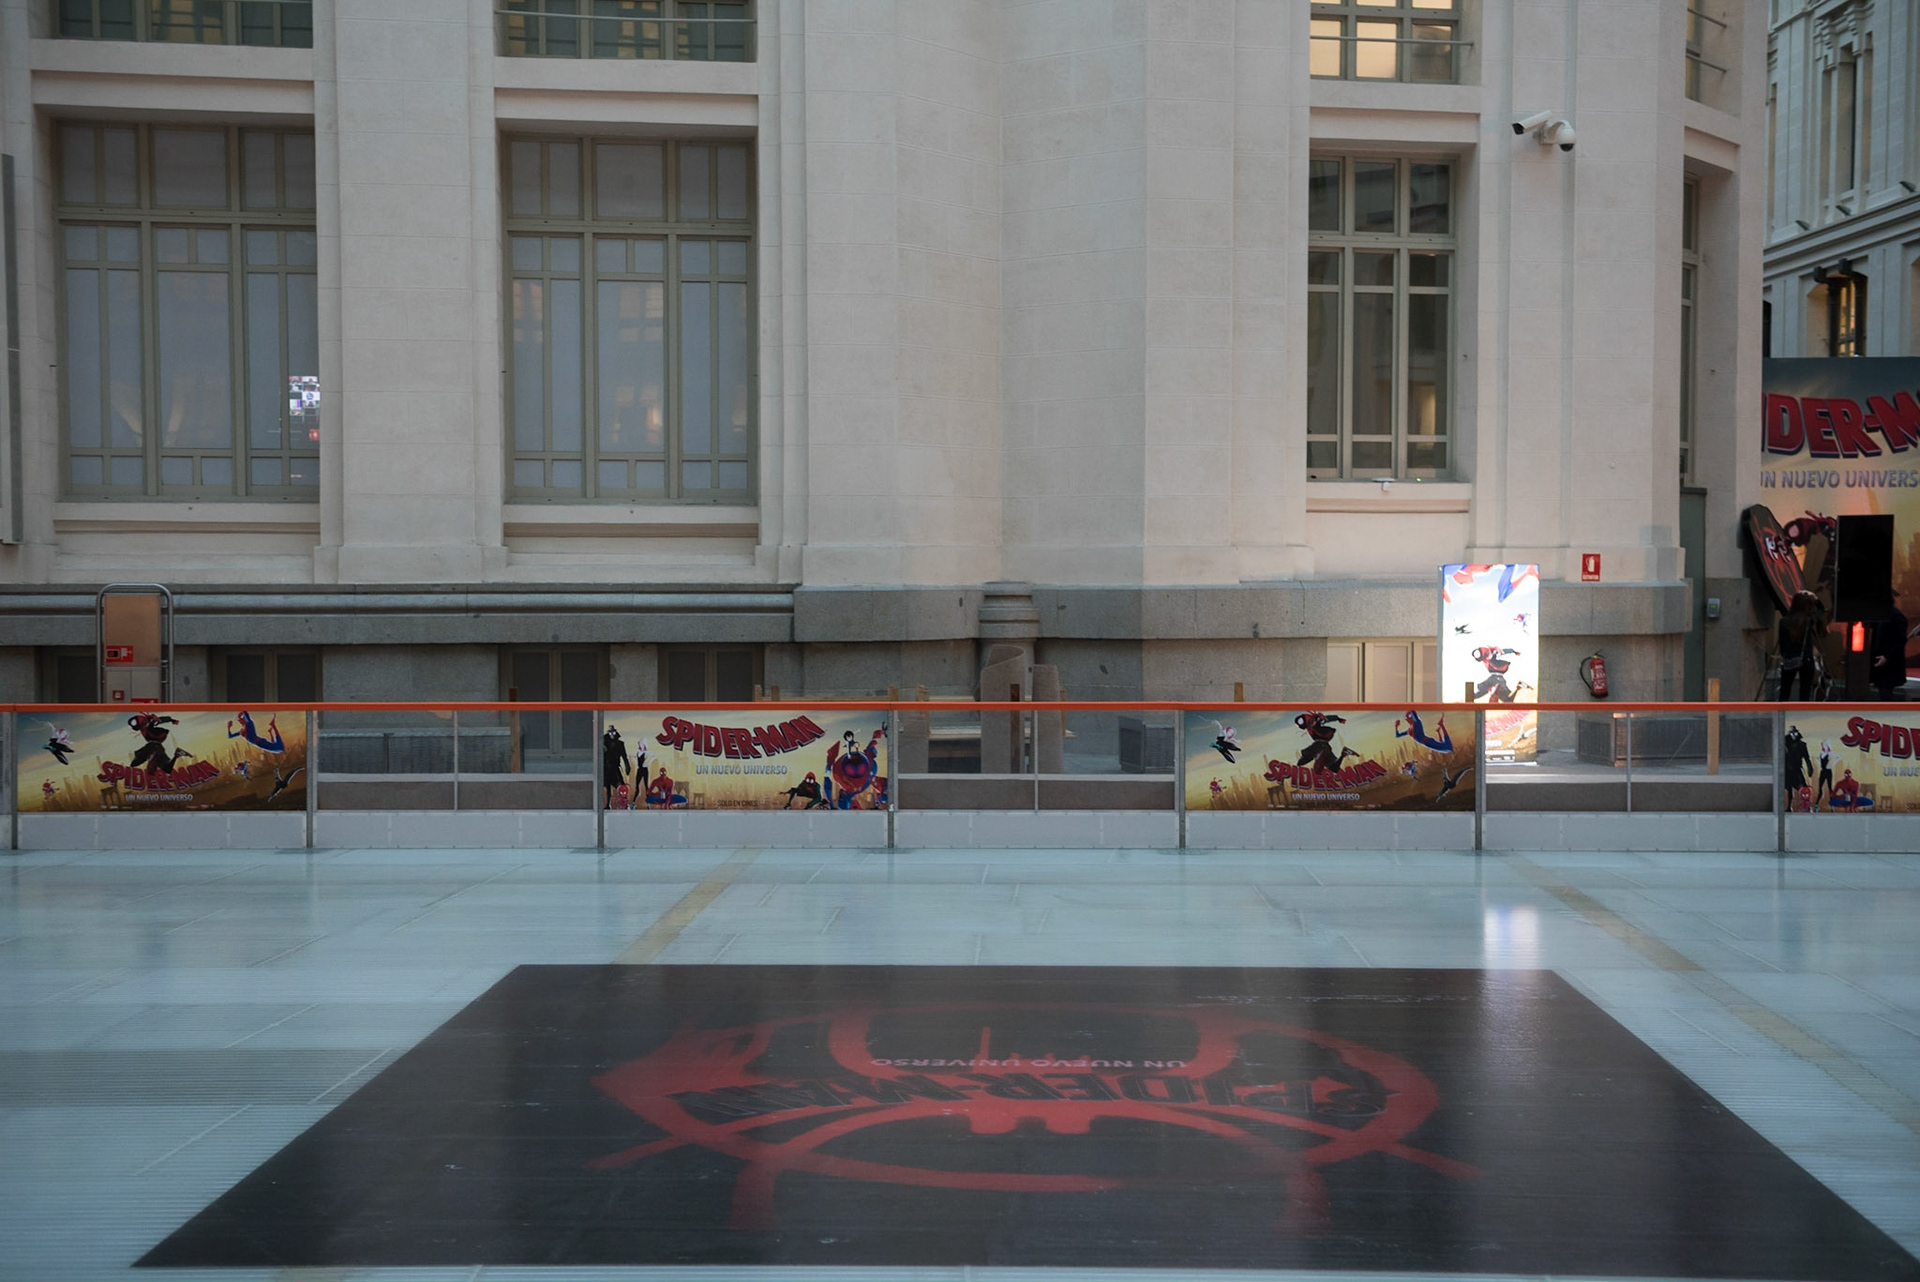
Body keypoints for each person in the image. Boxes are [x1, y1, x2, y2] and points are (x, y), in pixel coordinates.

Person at [1777, 590, 1824, 700]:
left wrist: (1785, 655)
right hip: (1806, 659)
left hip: (1789, 659)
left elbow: (1782, 644)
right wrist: (1814, 597)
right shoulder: (1808, 621)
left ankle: (1782, 710)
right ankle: (1802, 711)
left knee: (1785, 691)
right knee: (1805, 692)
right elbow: (1821, 609)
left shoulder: (1783, 622)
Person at [1870, 605, 1909, 700]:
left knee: (1886, 692)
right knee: (1882, 691)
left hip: (1890, 664)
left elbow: (1900, 641)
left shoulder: (1896, 616)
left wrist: (1887, 656)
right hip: (1880, 661)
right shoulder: (1881, 615)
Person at [601, 725, 631, 808]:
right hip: (606, 768)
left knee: (621, 785)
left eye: (613, 732)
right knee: (607, 786)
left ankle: (624, 803)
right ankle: (608, 804)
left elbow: (624, 756)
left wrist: (627, 766)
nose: (612, 734)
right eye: (610, 732)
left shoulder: (620, 744)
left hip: (615, 767)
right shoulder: (603, 743)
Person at [1783, 725, 1812, 800]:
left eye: (1795, 733)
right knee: (1789, 788)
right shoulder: (1784, 744)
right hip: (1787, 769)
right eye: (1792, 733)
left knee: (1803, 788)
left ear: (1797, 733)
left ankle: (1806, 804)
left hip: (1797, 769)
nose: (1793, 734)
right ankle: (1789, 805)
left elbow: (1807, 758)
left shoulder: (1802, 745)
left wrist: (1810, 768)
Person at [1814, 738, 1834, 810]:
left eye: (1825, 745)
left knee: (1830, 789)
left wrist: (1832, 764)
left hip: (1828, 772)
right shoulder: (1821, 754)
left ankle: (1832, 806)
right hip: (1823, 772)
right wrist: (1819, 766)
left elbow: (1839, 757)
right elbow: (1817, 759)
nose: (1823, 746)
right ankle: (1816, 805)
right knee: (1820, 789)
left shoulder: (1830, 754)